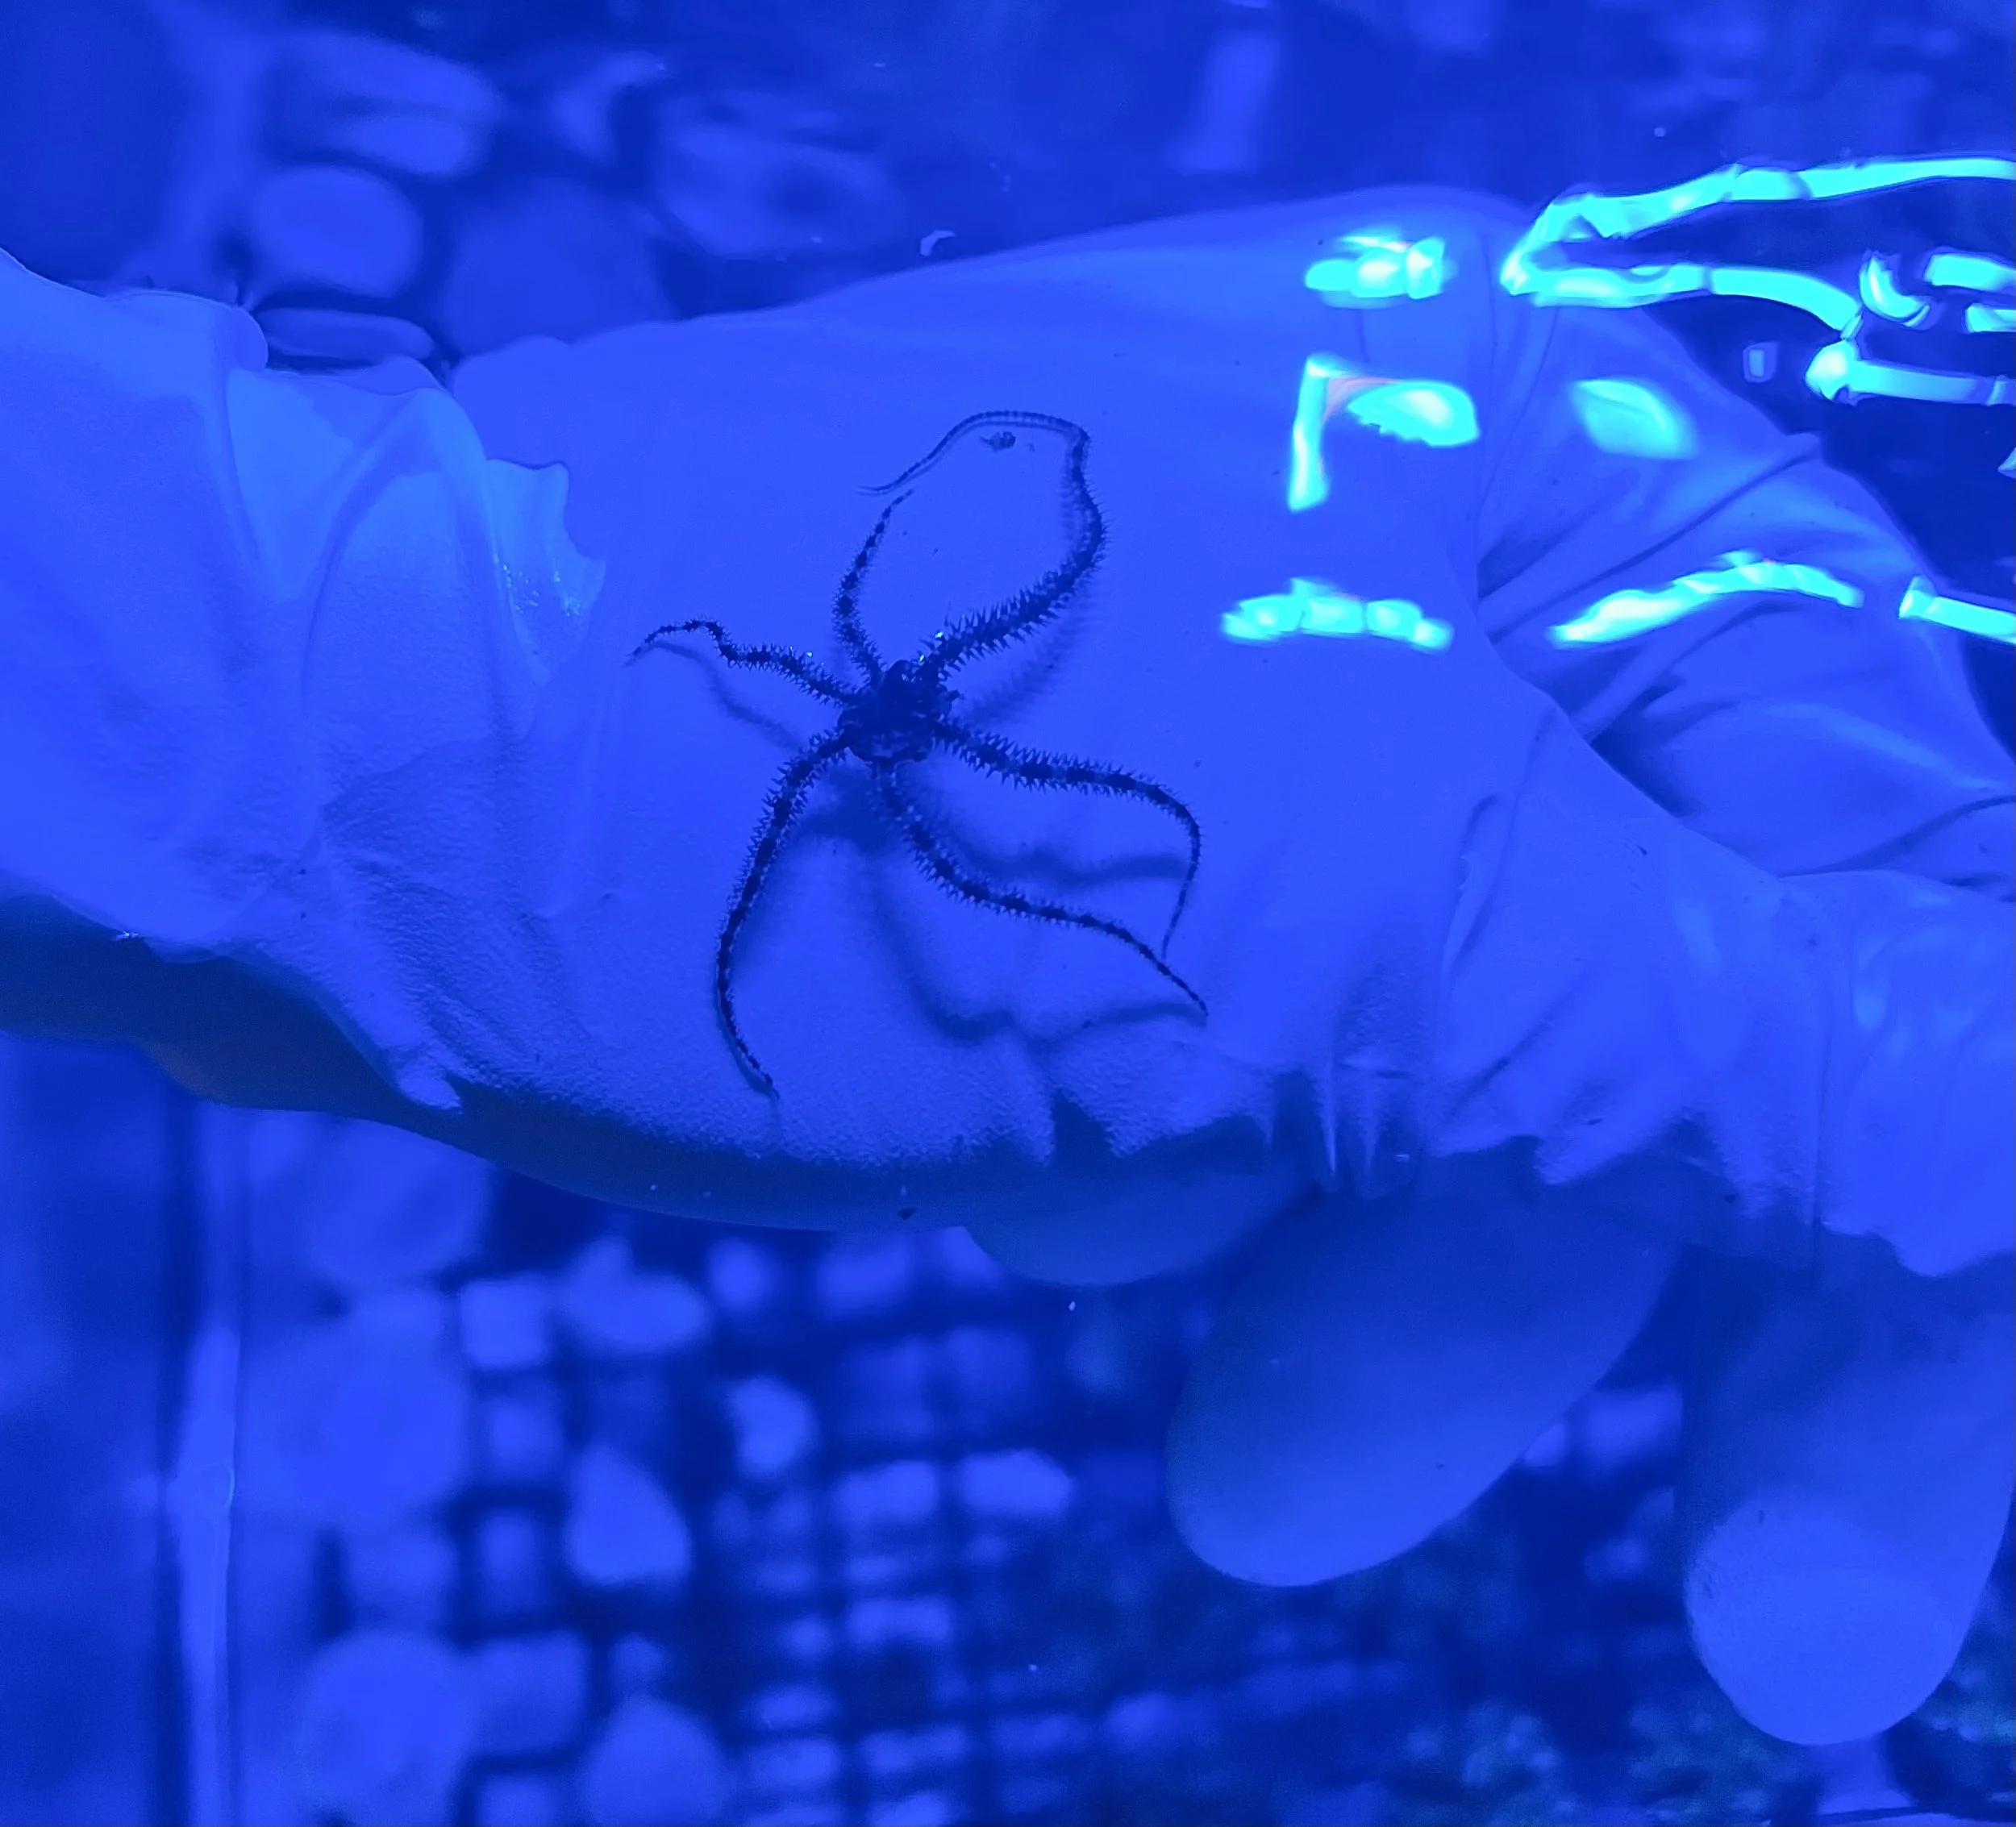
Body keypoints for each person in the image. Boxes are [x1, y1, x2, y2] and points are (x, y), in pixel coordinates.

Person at [2, 183, 2009, 1750]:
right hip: (830, 705)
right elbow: (828, 679)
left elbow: (990, 652)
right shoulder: (866, 725)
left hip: (865, 684)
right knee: (925, 829)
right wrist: (339, 661)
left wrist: (308, 626)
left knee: (1006, 818)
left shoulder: (914, 698)